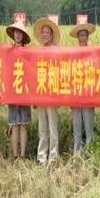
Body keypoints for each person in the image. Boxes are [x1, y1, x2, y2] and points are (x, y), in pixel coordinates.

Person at [33, 17, 61, 165]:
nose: (44, 35)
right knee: (42, 128)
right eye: (43, 32)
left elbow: (60, 72)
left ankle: (53, 157)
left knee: (52, 126)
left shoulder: (56, 50)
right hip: (40, 93)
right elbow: (33, 73)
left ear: (52, 35)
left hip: (52, 94)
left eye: (47, 32)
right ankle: (42, 157)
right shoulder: (37, 51)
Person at [5, 20, 32, 159]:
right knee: (14, 125)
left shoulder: (28, 52)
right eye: (16, 32)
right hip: (12, 92)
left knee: (23, 125)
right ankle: (15, 156)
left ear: (23, 36)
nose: (18, 34)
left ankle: (22, 156)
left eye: (20, 32)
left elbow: (32, 73)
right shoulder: (8, 51)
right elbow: (5, 72)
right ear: (13, 34)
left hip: (25, 92)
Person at [69, 22, 96, 154]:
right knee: (77, 128)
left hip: (88, 95)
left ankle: (89, 154)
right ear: (77, 37)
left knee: (89, 127)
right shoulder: (73, 54)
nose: (82, 37)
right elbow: (69, 75)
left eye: (84, 35)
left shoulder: (93, 53)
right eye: (80, 35)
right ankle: (77, 155)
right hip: (75, 95)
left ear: (87, 36)